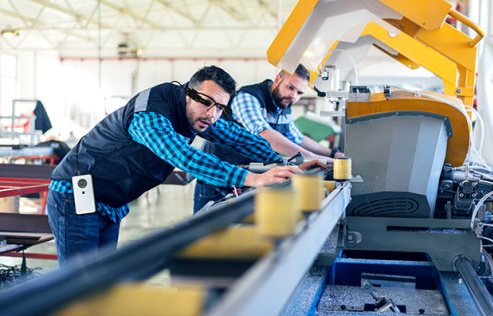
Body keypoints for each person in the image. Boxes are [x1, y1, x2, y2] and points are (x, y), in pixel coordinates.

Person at [47, 65, 304, 266]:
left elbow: (238, 137)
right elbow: (185, 157)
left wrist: (286, 163)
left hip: (110, 202)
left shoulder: (198, 112)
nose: (212, 114)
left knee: (100, 282)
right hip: (76, 195)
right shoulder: (149, 115)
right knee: (79, 287)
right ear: (187, 92)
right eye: (207, 103)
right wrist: (254, 179)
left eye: (220, 108)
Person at [194, 64, 343, 212]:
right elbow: (265, 136)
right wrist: (312, 157)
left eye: (299, 93)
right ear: (278, 79)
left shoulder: (283, 109)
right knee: (204, 231)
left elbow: (297, 138)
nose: (293, 96)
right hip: (218, 177)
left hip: (250, 178)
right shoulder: (248, 97)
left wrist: (332, 154)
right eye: (290, 87)